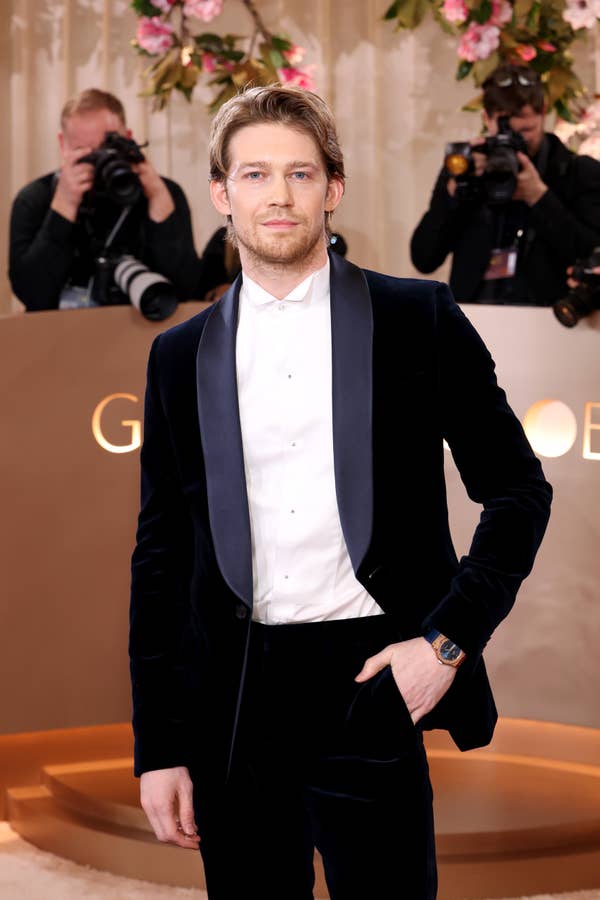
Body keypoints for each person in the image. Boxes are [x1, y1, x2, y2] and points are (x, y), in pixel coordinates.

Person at [129, 84, 552, 899]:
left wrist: (446, 645)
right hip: (233, 695)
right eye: (254, 175)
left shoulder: (417, 317)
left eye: (300, 173)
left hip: (369, 680)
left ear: (334, 188)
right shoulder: (178, 357)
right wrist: (160, 744)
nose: (278, 196)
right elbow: (162, 556)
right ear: (221, 192)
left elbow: (517, 490)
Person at [410, 64, 600, 306]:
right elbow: (424, 259)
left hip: (549, 327)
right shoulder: (466, 170)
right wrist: (453, 195)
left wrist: (540, 198)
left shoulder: (579, 172)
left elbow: (593, 259)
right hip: (474, 323)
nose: (515, 141)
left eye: (526, 131)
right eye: (506, 131)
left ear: (543, 113)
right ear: (486, 118)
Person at [8, 88, 209, 313]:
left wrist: (159, 200)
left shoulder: (163, 192)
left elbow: (186, 289)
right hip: (59, 338)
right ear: (63, 145)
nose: (99, 160)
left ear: (129, 138)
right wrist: (64, 206)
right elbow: (32, 295)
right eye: (83, 151)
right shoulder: (36, 199)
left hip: (144, 336)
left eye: (108, 148)